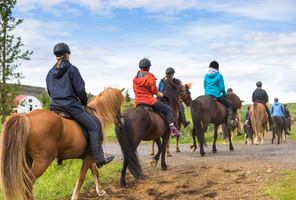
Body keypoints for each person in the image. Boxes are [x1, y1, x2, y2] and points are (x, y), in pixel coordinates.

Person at [46, 42, 114, 168]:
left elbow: (50, 91)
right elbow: (80, 90)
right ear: (67, 54)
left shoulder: (50, 73)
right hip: (71, 106)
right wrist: (83, 102)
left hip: (54, 107)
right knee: (94, 126)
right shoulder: (72, 69)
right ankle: (99, 159)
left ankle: (59, 158)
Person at [133, 58, 181, 137]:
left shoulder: (135, 78)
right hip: (149, 101)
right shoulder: (150, 77)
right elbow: (155, 91)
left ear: (140, 67)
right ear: (148, 67)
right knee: (168, 110)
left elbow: (135, 90)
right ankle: (173, 130)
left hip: (138, 102)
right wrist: (162, 95)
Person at [204, 61, 235, 129]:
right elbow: (222, 88)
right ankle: (229, 122)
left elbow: (205, 86)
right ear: (217, 67)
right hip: (216, 95)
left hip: (207, 95)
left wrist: (207, 94)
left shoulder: (206, 76)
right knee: (229, 104)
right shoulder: (219, 75)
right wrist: (224, 94)